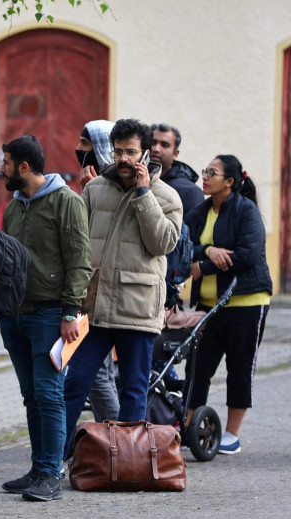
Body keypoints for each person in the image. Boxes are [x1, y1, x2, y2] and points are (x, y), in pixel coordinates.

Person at [63, 119, 182, 456]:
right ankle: (53, 460)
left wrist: (143, 194)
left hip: (137, 309)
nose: (125, 158)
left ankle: (128, 463)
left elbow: (162, 243)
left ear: (145, 152)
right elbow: (79, 245)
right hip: (96, 308)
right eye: (118, 151)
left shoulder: (166, 196)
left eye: (131, 151)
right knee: (73, 384)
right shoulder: (95, 189)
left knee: (133, 390)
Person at [0, 135, 91, 502]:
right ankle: (38, 467)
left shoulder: (66, 201)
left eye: (6, 162)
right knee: (31, 396)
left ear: (23, 166)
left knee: (50, 395)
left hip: (52, 314)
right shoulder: (14, 206)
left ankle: (52, 473)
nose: (1, 168)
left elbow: (79, 260)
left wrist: (71, 311)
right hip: (16, 315)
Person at [186, 155, 271, 455]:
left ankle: (232, 434)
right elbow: (183, 245)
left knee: (239, 366)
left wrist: (204, 265)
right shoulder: (200, 211)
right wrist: (209, 250)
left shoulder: (246, 212)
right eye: (205, 171)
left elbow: (248, 254)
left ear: (230, 181)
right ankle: (189, 426)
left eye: (212, 172)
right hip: (209, 306)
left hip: (247, 301)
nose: (205, 177)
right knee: (198, 367)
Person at [75, 119, 121, 425]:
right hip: (88, 295)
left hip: (105, 295)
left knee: (98, 376)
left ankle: (119, 442)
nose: (79, 149)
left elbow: (89, 236)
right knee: (86, 376)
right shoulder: (92, 182)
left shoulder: (111, 185)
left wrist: (86, 193)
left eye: (86, 143)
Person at [150, 123, 203, 215]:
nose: (156, 149)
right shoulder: (131, 180)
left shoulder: (190, 192)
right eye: (153, 142)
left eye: (164, 145)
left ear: (175, 154)